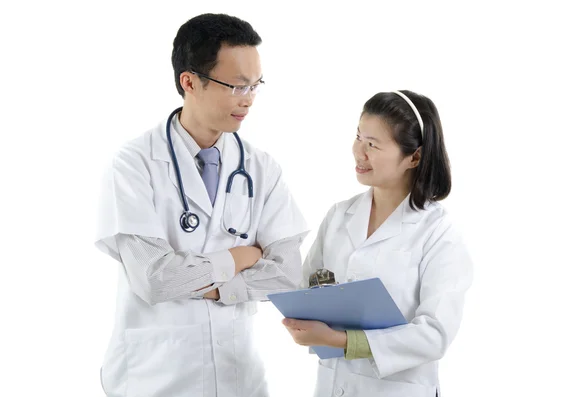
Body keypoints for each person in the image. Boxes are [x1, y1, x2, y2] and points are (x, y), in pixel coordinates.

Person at [95, 13, 309, 397]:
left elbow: (287, 275)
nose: (248, 100)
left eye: (255, 85)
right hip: (157, 377)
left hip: (239, 376)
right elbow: (156, 280)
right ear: (189, 81)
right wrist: (241, 257)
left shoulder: (261, 168)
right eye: (237, 86)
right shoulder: (134, 164)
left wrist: (212, 286)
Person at [282, 90, 473, 397]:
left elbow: (435, 335)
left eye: (373, 145)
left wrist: (342, 341)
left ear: (415, 157)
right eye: (359, 137)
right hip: (334, 385)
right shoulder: (340, 215)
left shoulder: (439, 233)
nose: (359, 152)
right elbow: (305, 289)